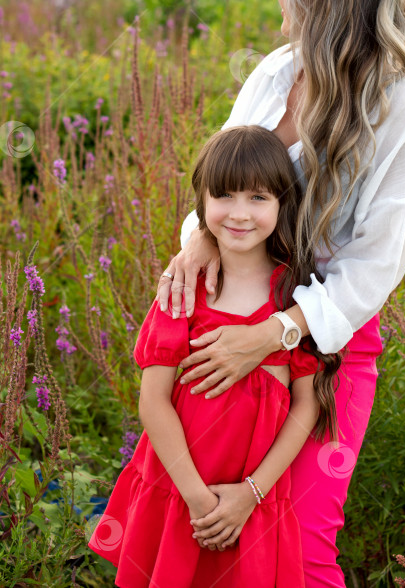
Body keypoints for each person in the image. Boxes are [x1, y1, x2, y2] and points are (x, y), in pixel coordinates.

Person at [156, 0, 405, 587]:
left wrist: (276, 334)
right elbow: (228, 179)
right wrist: (198, 235)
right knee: (212, 538)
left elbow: (373, 265)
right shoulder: (273, 71)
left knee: (301, 545)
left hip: (324, 349)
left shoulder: (399, 108)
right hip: (229, 323)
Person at [88, 125, 343, 588]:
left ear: (283, 204)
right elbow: (154, 401)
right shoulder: (182, 292)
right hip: (180, 490)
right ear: (201, 203)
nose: (240, 213)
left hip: (253, 499)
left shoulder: (296, 300)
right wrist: (197, 499)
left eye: (259, 198)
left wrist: (251, 493)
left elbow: (308, 406)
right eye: (224, 195)